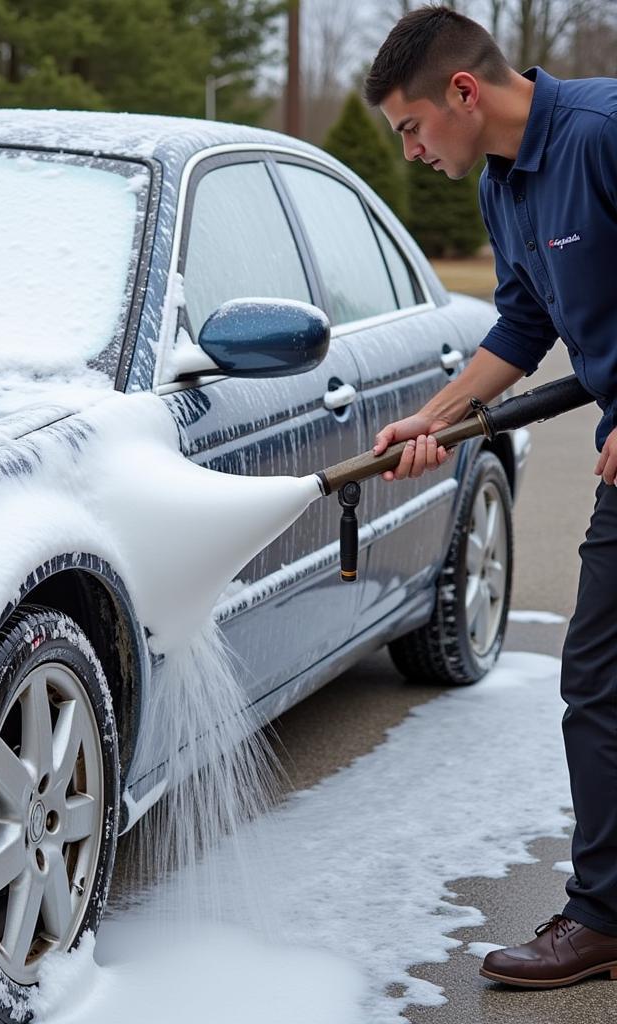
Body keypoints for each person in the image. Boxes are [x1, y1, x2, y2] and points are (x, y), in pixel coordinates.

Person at [364, 6, 617, 989]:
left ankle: (600, 914)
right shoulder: (505, 187)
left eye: (412, 128)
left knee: (598, 680)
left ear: (463, 93)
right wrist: (435, 414)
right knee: (600, 682)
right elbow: (522, 323)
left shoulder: (599, 133)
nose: (414, 151)